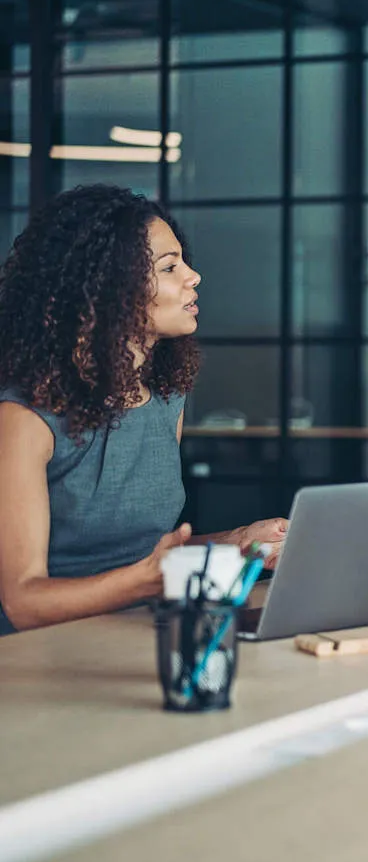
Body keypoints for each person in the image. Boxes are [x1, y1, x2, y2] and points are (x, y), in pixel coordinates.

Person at [0, 185, 288, 635]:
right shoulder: (24, 417)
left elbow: (146, 555)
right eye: (170, 267)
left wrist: (236, 543)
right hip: (39, 657)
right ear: (105, 288)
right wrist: (152, 580)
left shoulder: (165, 396)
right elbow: (23, 601)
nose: (194, 277)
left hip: (137, 634)